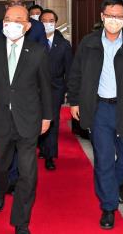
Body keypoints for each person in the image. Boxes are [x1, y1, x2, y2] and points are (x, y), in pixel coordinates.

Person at [67, 0, 123, 230]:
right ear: (102, 17)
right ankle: (108, 207)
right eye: (110, 15)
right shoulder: (88, 43)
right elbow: (76, 74)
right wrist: (74, 101)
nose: (114, 20)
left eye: (119, 16)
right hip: (99, 109)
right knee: (104, 160)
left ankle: (114, 183)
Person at [0, 6, 52, 234]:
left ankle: (21, 222)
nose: (11, 23)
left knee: (28, 173)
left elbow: (46, 86)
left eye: (18, 20)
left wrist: (47, 116)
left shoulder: (37, 51)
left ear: (27, 26)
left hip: (29, 119)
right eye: (7, 19)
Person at [38, 9, 73, 170]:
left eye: (50, 20)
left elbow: (69, 69)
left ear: (55, 22)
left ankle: (50, 155)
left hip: (55, 89)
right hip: (35, 88)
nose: (47, 24)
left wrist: (67, 91)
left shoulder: (64, 45)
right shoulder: (33, 43)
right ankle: (40, 148)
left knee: (52, 121)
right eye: (44, 21)